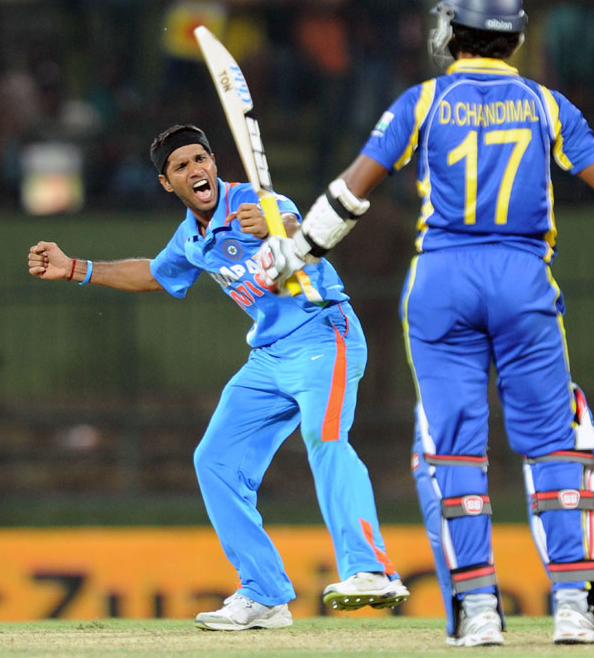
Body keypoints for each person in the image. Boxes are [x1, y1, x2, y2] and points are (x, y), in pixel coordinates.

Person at [259, 0, 594, 647]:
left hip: (440, 282)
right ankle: (575, 606)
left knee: (451, 447)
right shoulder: (548, 106)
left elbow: (353, 191)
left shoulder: (422, 103)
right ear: (516, 38)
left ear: (447, 30)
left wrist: (300, 248)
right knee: (556, 441)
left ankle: (477, 610)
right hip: (523, 280)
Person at [26, 124, 408, 630]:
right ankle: (264, 594)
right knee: (215, 460)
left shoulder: (255, 199)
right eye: (181, 167)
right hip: (269, 357)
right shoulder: (192, 236)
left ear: (213, 162)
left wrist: (275, 224)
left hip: (323, 335)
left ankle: (370, 570)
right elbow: (154, 274)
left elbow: (306, 232)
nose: (196, 170)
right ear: (168, 184)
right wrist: (76, 268)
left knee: (326, 438)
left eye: (200, 159)